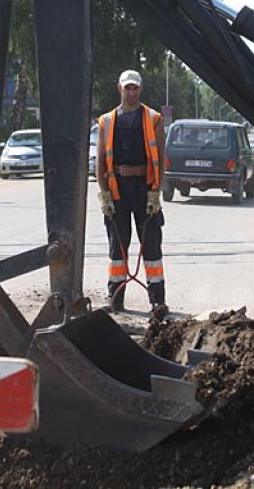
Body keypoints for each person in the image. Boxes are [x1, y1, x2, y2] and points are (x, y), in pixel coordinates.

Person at [96, 69, 168, 319]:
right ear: (120, 88)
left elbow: (161, 159)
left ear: (140, 89)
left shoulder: (153, 119)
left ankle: (157, 301)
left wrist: (155, 192)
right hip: (117, 190)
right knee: (118, 247)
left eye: (135, 88)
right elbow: (100, 162)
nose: (131, 92)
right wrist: (104, 195)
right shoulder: (106, 121)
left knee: (151, 246)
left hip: (144, 188)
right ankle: (115, 298)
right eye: (127, 88)